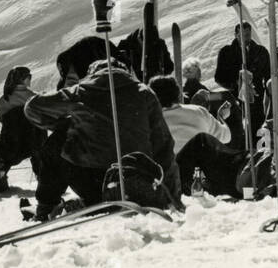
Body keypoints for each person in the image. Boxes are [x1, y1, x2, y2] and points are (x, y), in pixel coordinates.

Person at [25, 52, 178, 219]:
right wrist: (171, 196)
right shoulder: (145, 93)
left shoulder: (81, 91)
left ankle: (47, 208)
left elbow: (32, 107)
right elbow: (164, 145)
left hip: (92, 182)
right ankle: (94, 201)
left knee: (58, 140)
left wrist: (67, 120)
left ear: (92, 74)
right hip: (134, 182)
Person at [148, 75, 232, 202]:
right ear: (178, 93)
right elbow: (226, 137)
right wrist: (220, 117)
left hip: (168, 182)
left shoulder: (151, 120)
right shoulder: (199, 111)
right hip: (201, 178)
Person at [214, 22, 271, 123]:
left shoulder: (261, 52)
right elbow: (219, 77)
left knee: (257, 129)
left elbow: (268, 76)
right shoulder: (226, 52)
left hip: (257, 100)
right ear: (236, 35)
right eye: (242, 35)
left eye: (248, 35)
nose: (245, 38)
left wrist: (268, 94)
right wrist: (235, 85)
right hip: (235, 100)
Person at [0, 66, 45, 170]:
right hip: (33, 143)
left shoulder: (3, 100)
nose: (30, 79)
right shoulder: (33, 98)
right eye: (29, 76)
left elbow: (1, 119)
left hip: (11, 145)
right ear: (22, 79)